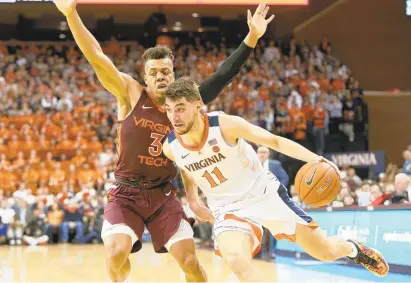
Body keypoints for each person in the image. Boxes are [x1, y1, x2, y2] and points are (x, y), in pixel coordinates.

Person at [53, 1, 274, 282]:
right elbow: (96, 56)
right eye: (154, 73)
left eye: (166, 72)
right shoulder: (129, 93)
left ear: (173, 73)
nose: (160, 77)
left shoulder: (184, 103)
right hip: (126, 193)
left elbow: (222, 77)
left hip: (162, 195)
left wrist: (252, 37)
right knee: (115, 253)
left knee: (191, 262)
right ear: (145, 77)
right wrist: (71, 14)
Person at [162, 77, 389, 282]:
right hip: (227, 208)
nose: (174, 117)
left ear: (198, 106)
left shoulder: (224, 125)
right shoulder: (170, 147)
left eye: (180, 109)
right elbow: (186, 168)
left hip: (264, 193)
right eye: (169, 110)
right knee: (236, 259)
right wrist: (193, 200)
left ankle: (353, 249)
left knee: (325, 251)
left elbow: (275, 142)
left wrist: (317, 159)